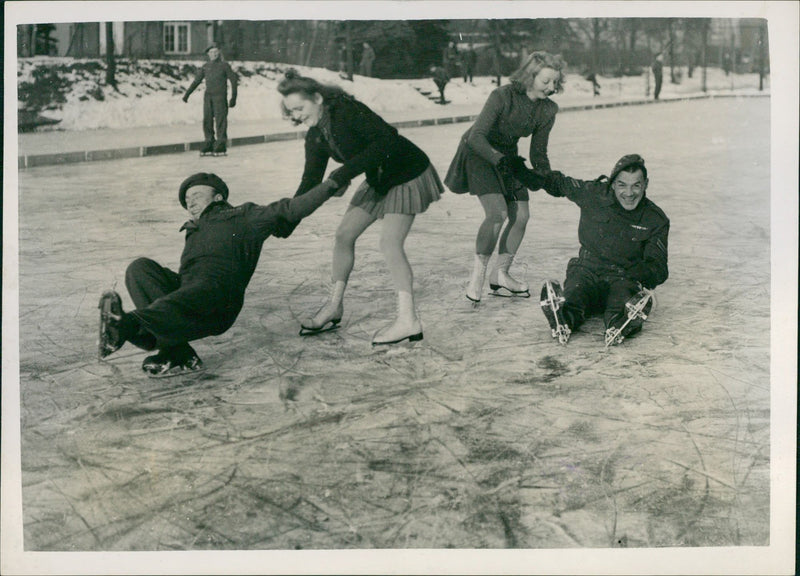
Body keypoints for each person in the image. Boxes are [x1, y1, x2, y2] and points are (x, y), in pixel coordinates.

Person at [97, 172, 345, 377]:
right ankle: (178, 353)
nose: (190, 202)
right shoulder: (195, 228)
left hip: (220, 299)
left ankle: (126, 326)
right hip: (191, 292)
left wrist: (331, 185)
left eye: (196, 195)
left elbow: (292, 209)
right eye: (186, 199)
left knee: (200, 287)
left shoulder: (245, 216)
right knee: (140, 268)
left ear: (218, 196)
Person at [277, 70, 444, 346]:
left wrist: (343, 174)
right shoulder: (316, 136)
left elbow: (388, 140)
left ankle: (408, 320)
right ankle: (334, 306)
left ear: (317, 98)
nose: (296, 115)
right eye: (291, 111)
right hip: (378, 178)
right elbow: (310, 181)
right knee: (344, 235)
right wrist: (289, 217)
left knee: (390, 243)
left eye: (299, 107)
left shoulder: (346, 110)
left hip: (406, 172)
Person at [444, 51, 565, 302]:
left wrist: (545, 177)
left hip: (509, 157)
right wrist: (500, 160)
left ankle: (500, 275)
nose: (552, 88)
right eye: (546, 82)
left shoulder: (547, 109)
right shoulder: (503, 96)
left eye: (556, 82)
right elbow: (477, 135)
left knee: (521, 215)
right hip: (480, 152)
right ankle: (477, 276)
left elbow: (539, 153)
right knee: (497, 213)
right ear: (530, 76)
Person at [512, 154, 669, 345]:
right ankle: (563, 319)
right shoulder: (594, 194)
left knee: (621, 300)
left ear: (646, 184)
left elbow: (659, 267)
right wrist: (526, 175)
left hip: (622, 277)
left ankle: (621, 322)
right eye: (622, 185)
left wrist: (637, 274)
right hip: (587, 270)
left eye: (636, 185)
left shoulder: (655, 219)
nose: (629, 193)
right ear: (612, 184)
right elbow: (561, 184)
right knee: (576, 295)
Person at [182, 43, 238, 156]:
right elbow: (196, 81)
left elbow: (233, 81)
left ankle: (221, 144)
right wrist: (187, 94)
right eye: (212, 52)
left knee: (220, 121)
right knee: (207, 121)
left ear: (219, 53)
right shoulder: (206, 66)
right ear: (208, 54)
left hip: (220, 97)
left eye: (216, 52)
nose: (214, 54)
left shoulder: (224, 65)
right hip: (208, 97)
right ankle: (209, 142)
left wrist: (233, 98)